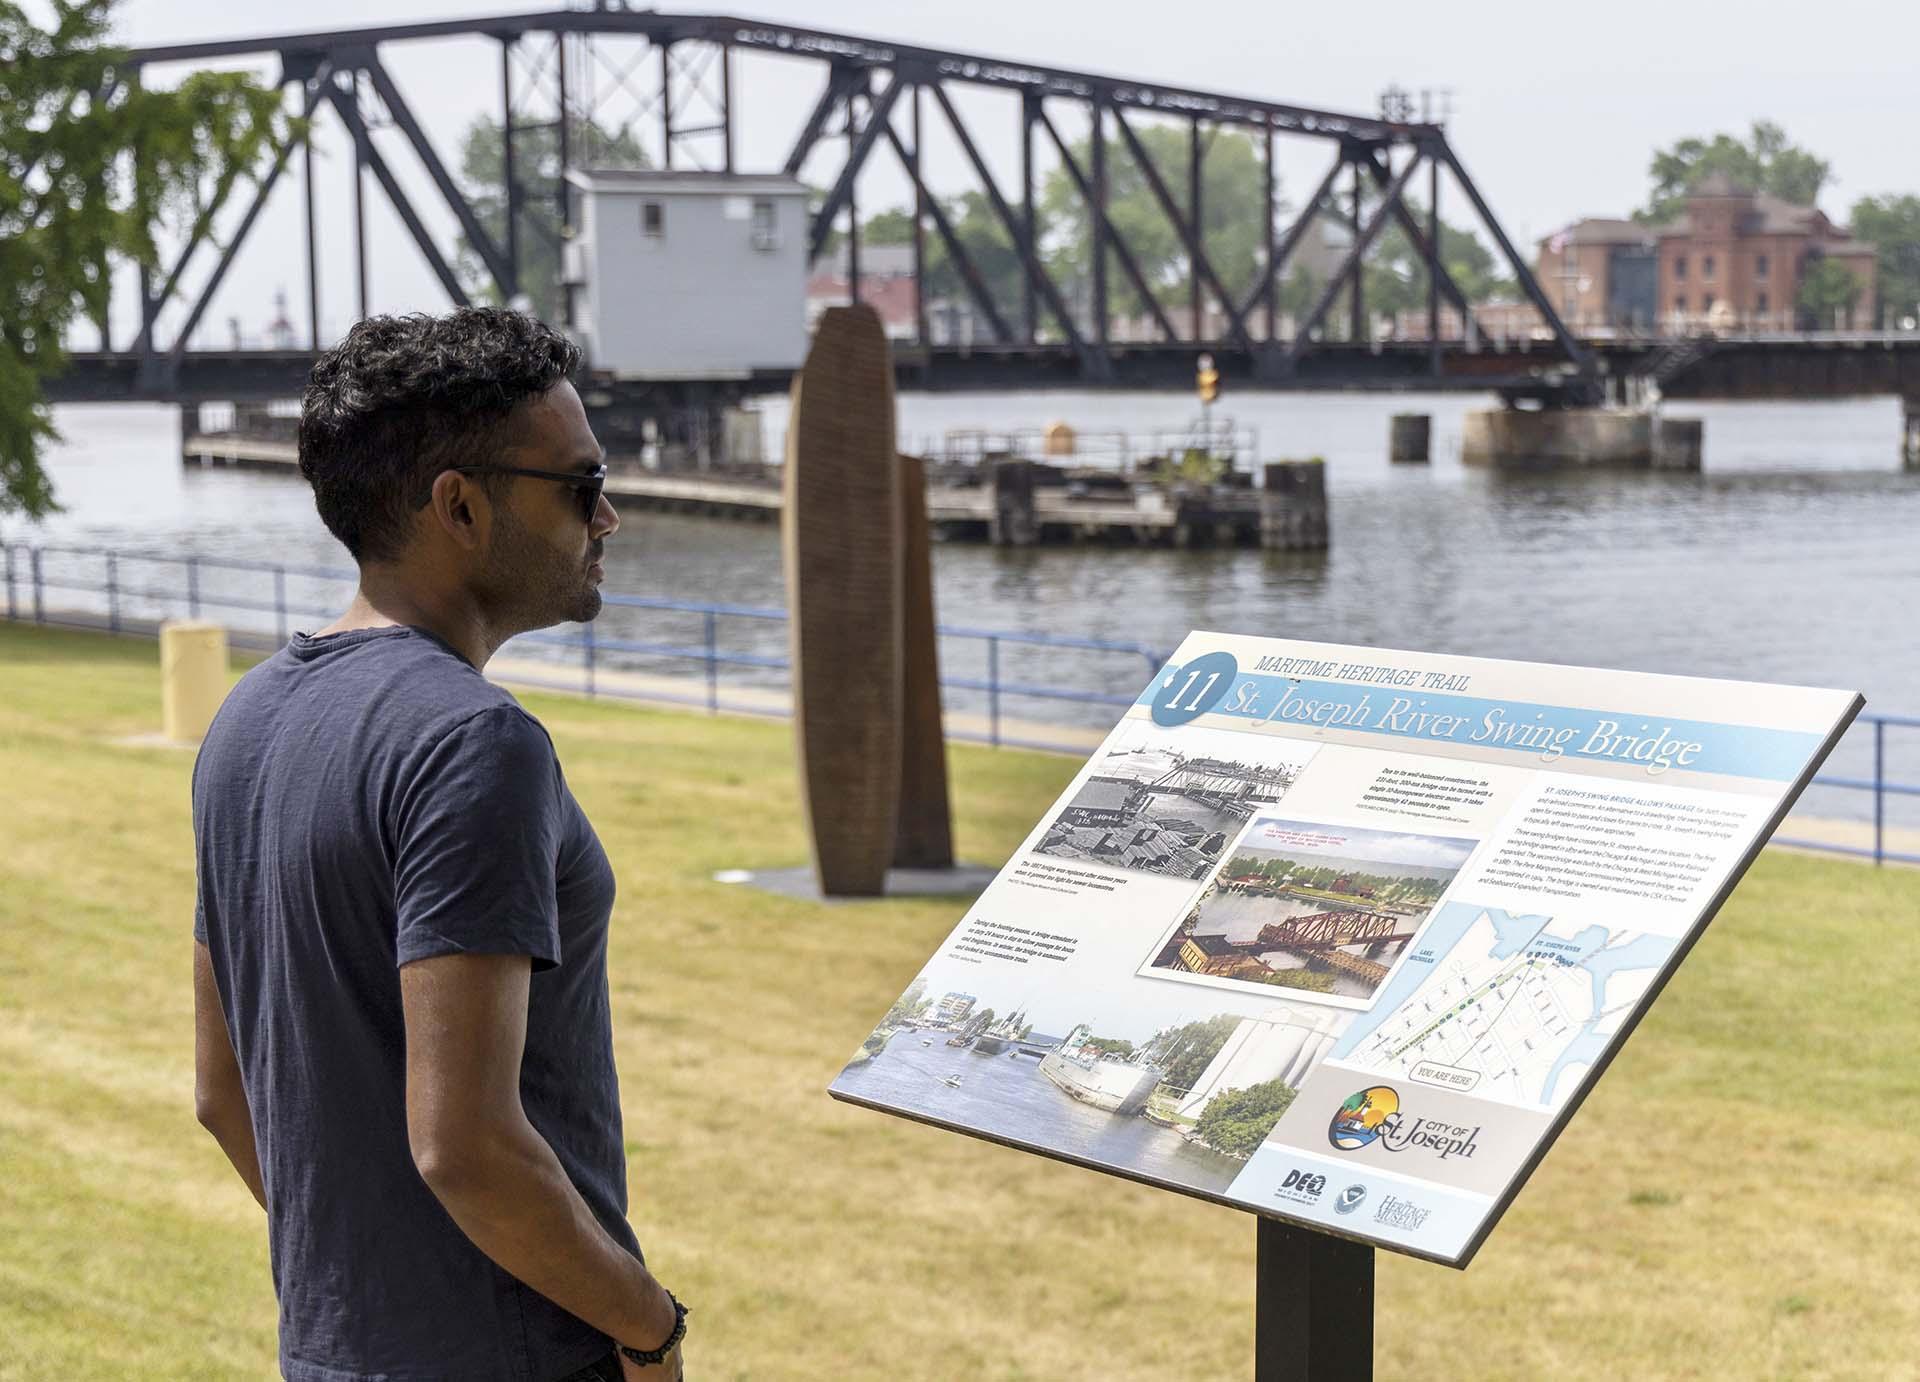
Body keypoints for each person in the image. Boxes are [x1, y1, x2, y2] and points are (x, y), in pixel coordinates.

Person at [190, 308, 686, 1381]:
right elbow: (467, 1143)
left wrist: (378, 1278)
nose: (610, 515)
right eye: (579, 485)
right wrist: (649, 1326)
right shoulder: (475, 742)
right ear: (460, 505)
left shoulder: (243, 720)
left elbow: (222, 1091)